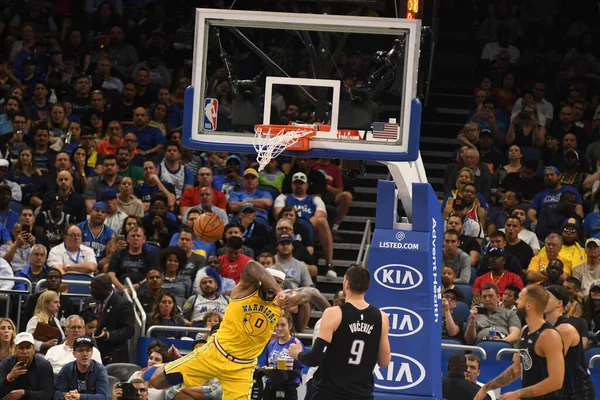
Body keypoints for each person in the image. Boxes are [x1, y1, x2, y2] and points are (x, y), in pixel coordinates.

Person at [145, 261, 331, 399]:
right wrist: (277, 289)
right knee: (157, 381)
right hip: (215, 352)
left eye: (278, 283)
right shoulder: (245, 289)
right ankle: (140, 376)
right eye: (270, 282)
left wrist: (334, 317)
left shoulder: (283, 300)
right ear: (262, 281)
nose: (274, 287)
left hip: (241, 368)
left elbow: (312, 294)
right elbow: (251, 266)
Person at [286, 265, 389, 399]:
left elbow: (315, 358)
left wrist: (297, 354)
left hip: (330, 393)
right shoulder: (382, 317)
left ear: (346, 284)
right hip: (362, 394)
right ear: (367, 287)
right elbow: (384, 362)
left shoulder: (333, 313)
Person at [474, 285, 565, 400]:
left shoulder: (549, 335)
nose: (516, 302)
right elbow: (517, 369)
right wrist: (486, 387)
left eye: (520, 298)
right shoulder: (526, 330)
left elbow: (556, 381)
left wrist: (518, 394)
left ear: (528, 305)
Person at [544, 285, 595, 399]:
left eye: (547, 297)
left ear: (559, 303)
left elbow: (551, 364)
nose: (542, 300)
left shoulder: (564, 329)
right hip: (562, 388)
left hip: (577, 391)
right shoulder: (545, 327)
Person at [89, 273, 135, 364]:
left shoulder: (123, 304)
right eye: (91, 288)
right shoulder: (89, 301)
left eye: (94, 288)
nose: (91, 291)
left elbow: (129, 330)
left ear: (106, 288)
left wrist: (108, 335)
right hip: (91, 353)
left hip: (113, 355)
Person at [0, 332, 54, 400]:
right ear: (15, 349)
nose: (25, 351)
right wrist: (9, 377)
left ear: (33, 349)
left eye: (28, 348)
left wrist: (24, 393)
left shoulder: (44, 365)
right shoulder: (6, 364)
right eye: (21, 348)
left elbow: (48, 395)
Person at [54, 335, 110, 400]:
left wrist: (79, 397)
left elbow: (103, 397)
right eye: (80, 350)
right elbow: (56, 394)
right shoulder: (67, 369)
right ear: (74, 354)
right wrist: (67, 395)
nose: (85, 354)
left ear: (92, 353)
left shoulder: (100, 370)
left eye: (88, 350)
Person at [263, 313, 305, 400]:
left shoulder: (296, 344)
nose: (279, 328)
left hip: (288, 389)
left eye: (283, 325)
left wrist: (286, 375)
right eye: (277, 325)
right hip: (270, 388)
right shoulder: (271, 345)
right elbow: (267, 365)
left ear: (290, 326)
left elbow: (299, 368)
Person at [108, 227, 156, 292]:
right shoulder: (118, 254)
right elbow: (111, 274)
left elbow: (152, 275)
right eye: (133, 236)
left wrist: (138, 285)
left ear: (144, 239)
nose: (135, 238)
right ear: (127, 239)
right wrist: (122, 288)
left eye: (138, 236)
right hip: (120, 289)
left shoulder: (150, 256)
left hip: (142, 288)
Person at [78, 202, 117, 273]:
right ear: (90, 212)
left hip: (100, 267)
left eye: (103, 212)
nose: (99, 213)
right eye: (97, 210)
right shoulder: (79, 228)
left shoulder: (110, 233)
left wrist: (98, 265)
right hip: (80, 262)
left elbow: (111, 255)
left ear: (106, 215)